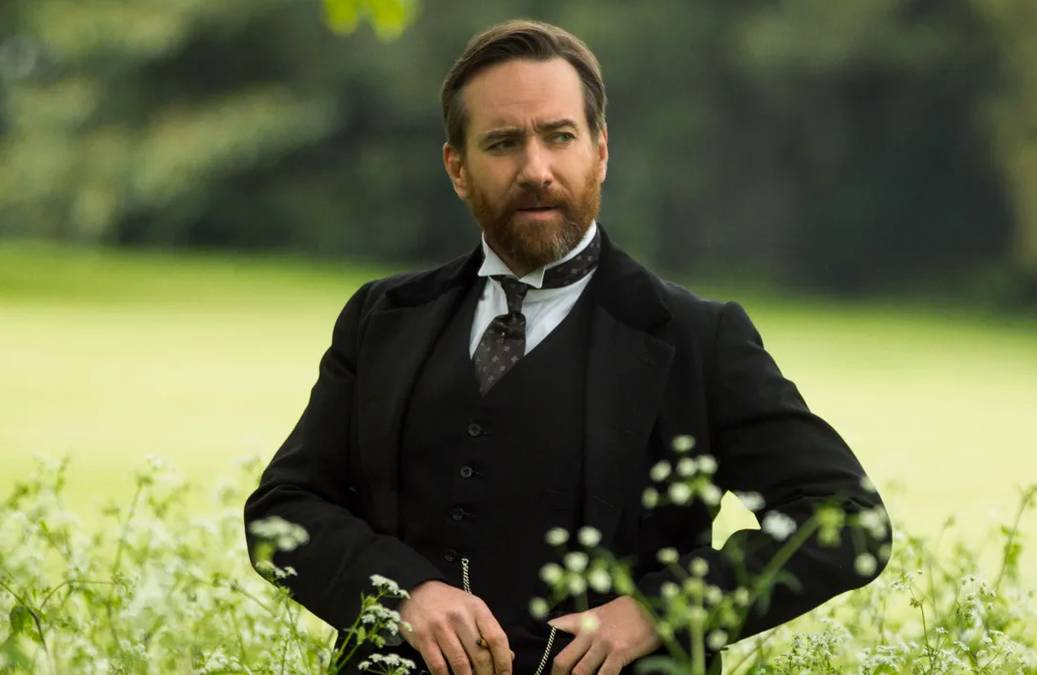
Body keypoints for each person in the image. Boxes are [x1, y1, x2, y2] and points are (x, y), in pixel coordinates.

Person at [244, 18, 891, 675]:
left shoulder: (699, 338)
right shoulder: (382, 318)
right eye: (502, 143)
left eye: (559, 137)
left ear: (600, 151)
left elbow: (847, 521)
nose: (535, 169)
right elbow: (283, 511)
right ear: (457, 168)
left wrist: (661, 608)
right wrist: (400, 593)